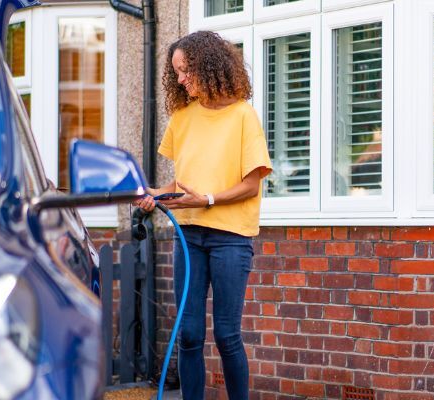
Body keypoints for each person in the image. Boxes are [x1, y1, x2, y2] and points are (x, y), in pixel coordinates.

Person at [133, 31, 271, 400]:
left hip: (230, 238)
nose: (179, 79)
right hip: (189, 237)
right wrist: (150, 194)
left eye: (185, 71)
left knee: (227, 335)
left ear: (208, 67)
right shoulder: (183, 117)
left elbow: (251, 185)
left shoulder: (244, 116)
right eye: (175, 72)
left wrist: (206, 200)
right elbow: (183, 182)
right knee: (189, 333)